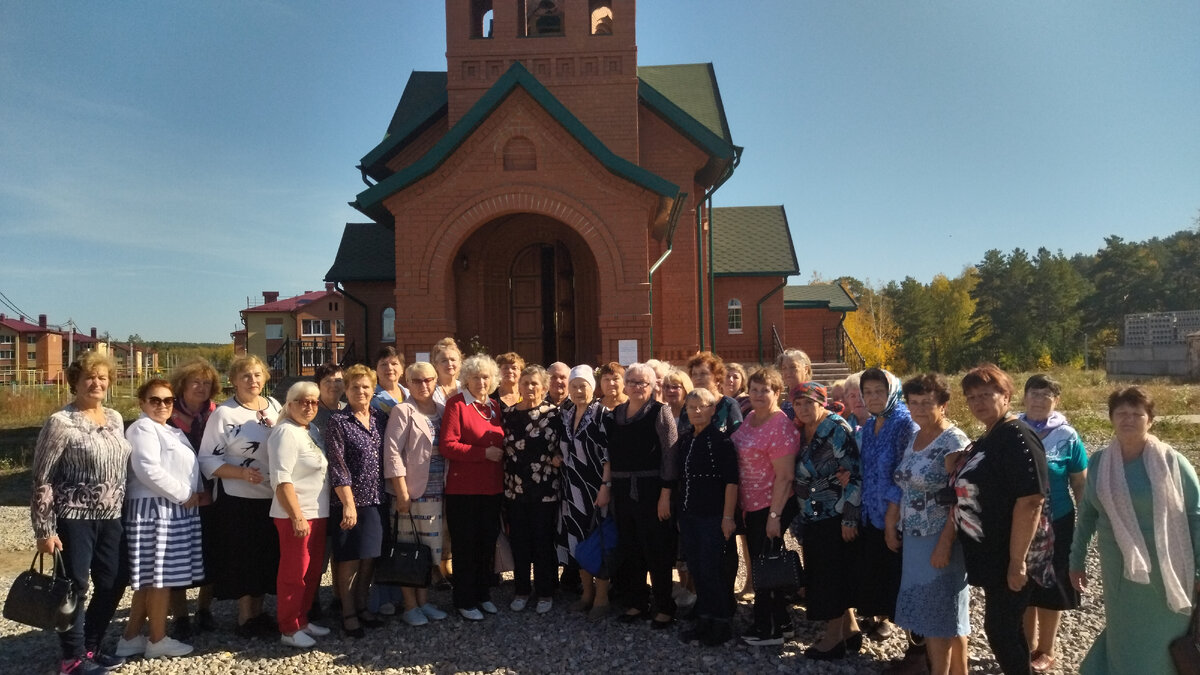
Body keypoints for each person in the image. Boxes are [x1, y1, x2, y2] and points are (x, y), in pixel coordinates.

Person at [1069, 386, 1200, 675]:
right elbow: (1088, 514)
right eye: (1121, 413)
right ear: (1112, 418)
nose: (1128, 419)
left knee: (1163, 636)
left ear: (1150, 420)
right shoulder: (1101, 462)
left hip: (1169, 568)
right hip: (1119, 570)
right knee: (1124, 634)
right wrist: (1075, 561)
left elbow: (1195, 516)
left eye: (1136, 413)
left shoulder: (1172, 462)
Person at [31, 352, 131, 675]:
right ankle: (72, 659)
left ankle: (91, 645)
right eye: (89, 376)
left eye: (103, 377)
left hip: (112, 515)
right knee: (74, 585)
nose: (96, 383)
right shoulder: (61, 422)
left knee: (115, 578)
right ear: (75, 381)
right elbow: (42, 477)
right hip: (74, 517)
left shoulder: (115, 418)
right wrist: (44, 530)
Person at [953, 363, 1052, 675]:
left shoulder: (1018, 436)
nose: (978, 402)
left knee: (1000, 630)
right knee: (1006, 629)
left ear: (1007, 396)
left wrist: (1017, 561)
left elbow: (1031, 500)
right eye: (971, 397)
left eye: (986, 394)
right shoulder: (991, 435)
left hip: (1012, 552)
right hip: (994, 551)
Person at [116, 379, 204, 660]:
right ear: (142, 403)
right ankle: (157, 638)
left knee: (152, 579)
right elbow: (147, 469)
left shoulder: (170, 430)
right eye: (155, 400)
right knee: (160, 579)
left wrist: (196, 494)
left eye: (168, 400)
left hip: (174, 508)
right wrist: (184, 495)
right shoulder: (142, 428)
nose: (163, 405)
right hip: (156, 510)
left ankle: (130, 637)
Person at [198, 354, 282, 637]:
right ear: (233, 380)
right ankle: (245, 618)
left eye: (257, 374)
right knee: (244, 557)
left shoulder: (274, 407)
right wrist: (240, 473)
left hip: (272, 497)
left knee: (266, 556)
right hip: (239, 498)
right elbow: (207, 459)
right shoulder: (224, 413)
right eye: (246, 375)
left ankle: (260, 612)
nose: (253, 380)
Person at [893, 374, 971, 675]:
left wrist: (945, 543)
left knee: (944, 618)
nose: (920, 408)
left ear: (943, 405)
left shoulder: (953, 442)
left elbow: (960, 499)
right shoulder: (915, 436)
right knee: (937, 616)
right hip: (915, 537)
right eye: (914, 402)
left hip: (940, 537)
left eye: (927, 402)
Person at [1019, 374, 1088, 673]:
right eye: (1033, 393)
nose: (1038, 399)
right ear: (1024, 397)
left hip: (1058, 520)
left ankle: (1046, 649)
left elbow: (1080, 484)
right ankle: (1023, 645)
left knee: (1051, 585)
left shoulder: (1068, 436)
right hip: (1020, 522)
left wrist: (1086, 525)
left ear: (1056, 400)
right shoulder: (1013, 430)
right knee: (1022, 584)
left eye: (1046, 395)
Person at [791, 382, 864, 660]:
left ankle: (833, 641)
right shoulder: (802, 429)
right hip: (813, 513)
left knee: (830, 577)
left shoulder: (835, 427)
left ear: (821, 403)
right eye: (798, 403)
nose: (804, 408)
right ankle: (850, 630)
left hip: (835, 514)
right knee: (825, 572)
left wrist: (850, 517)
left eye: (809, 403)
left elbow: (855, 473)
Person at [731, 368, 801, 646]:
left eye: (766, 390)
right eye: (755, 389)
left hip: (771, 504)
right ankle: (782, 622)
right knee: (766, 562)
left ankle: (767, 628)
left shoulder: (780, 426)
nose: (759, 395)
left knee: (765, 567)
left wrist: (774, 516)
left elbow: (785, 476)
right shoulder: (750, 418)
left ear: (777, 392)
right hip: (751, 503)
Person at [607, 362, 679, 628]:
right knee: (631, 549)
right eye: (633, 382)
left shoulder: (661, 413)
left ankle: (664, 607)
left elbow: (670, 454)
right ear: (625, 385)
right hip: (623, 491)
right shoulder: (616, 414)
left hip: (653, 491)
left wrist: (665, 494)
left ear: (652, 386)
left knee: (656, 550)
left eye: (643, 383)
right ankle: (637, 602)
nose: (637, 387)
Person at [383, 362, 450, 627]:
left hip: (438, 492)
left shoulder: (443, 411)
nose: (424, 385)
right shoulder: (403, 411)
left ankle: (424, 602)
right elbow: (392, 453)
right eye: (417, 381)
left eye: (428, 380)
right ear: (407, 383)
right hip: (411, 494)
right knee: (407, 549)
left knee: (428, 552)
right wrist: (401, 492)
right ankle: (410, 606)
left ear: (436, 381)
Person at [324, 364, 389, 637]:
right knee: (349, 560)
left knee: (369, 559)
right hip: (349, 503)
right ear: (346, 390)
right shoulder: (338, 422)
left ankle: (363, 607)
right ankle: (348, 613)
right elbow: (338, 467)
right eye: (354, 387)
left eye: (365, 387)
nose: (360, 391)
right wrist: (348, 504)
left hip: (377, 500)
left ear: (373, 389)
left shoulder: (379, 419)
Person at [440, 354, 505, 621]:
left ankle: (482, 594)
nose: (481, 381)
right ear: (466, 379)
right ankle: (464, 599)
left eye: (486, 377)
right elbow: (447, 445)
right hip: (463, 490)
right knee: (465, 546)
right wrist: (483, 453)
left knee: (486, 543)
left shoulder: (494, 406)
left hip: (491, 488)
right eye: (476, 377)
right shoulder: (457, 405)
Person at [267, 382, 331, 649]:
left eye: (315, 402)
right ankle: (289, 627)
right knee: (294, 572)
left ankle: (302, 619)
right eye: (303, 401)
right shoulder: (284, 433)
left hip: (318, 512)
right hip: (295, 513)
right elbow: (282, 480)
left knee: (313, 571)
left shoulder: (311, 430)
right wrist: (296, 516)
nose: (309, 406)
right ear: (290, 403)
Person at [675, 388, 740, 646]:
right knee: (698, 569)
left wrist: (727, 517)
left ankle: (721, 623)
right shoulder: (686, 440)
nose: (696, 411)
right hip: (690, 514)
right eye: (691, 407)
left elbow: (731, 482)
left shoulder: (721, 442)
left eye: (702, 406)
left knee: (713, 570)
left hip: (712, 516)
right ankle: (704, 619)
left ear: (713, 410)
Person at [855, 367, 915, 642]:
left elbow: (906, 473)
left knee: (903, 579)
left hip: (897, 515)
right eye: (868, 392)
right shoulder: (869, 425)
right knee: (878, 574)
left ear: (892, 391)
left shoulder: (905, 424)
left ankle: (918, 647)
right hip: (871, 513)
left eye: (880, 391)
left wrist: (892, 519)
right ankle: (882, 619)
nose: (874, 397)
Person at [165, 357, 220, 637]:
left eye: (206, 382)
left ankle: (204, 609)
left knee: (211, 553)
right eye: (195, 382)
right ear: (182, 386)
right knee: (179, 556)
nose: (201, 387)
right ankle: (180, 616)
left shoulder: (217, 414)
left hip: (212, 495)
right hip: (178, 498)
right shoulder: (166, 415)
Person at [501, 365, 562, 614]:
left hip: (545, 488)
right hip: (515, 488)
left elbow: (565, 444)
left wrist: (559, 454)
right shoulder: (508, 414)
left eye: (535, 383)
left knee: (543, 541)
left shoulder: (555, 414)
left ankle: (545, 591)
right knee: (520, 542)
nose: (529, 388)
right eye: (525, 383)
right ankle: (522, 589)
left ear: (544, 387)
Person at [556, 365, 612, 620]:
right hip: (572, 489)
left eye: (583, 386)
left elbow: (609, 456)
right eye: (574, 386)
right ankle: (585, 594)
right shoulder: (567, 413)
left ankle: (602, 597)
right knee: (577, 540)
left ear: (593, 388)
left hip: (595, 488)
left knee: (597, 540)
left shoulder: (602, 415)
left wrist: (605, 487)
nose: (579, 391)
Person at [681, 351, 743, 437]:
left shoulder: (729, 405)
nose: (698, 378)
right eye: (694, 374)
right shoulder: (688, 406)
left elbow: (737, 439)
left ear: (717, 378)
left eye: (703, 374)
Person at [775, 348, 812, 419]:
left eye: (793, 367)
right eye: (784, 368)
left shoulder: (813, 396)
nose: (788, 372)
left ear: (805, 369)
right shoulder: (782, 399)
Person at [371, 346, 409, 415]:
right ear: (376, 370)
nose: (389, 368)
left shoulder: (410, 395)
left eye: (394, 364)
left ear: (402, 369)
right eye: (384, 364)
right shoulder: (370, 397)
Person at [313, 362, 346, 432]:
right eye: (328, 381)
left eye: (338, 381)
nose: (333, 385)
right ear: (318, 386)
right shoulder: (311, 411)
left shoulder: (349, 409)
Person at [430, 337, 462, 406]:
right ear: (436, 364)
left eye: (453, 360)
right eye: (444, 360)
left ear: (460, 363)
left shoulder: (466, 388)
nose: (449, 364)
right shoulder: (430, 390)